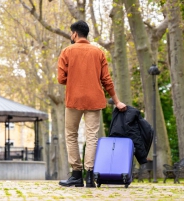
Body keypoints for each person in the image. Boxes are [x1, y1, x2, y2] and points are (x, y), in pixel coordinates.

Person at [57, 20, 127, 188]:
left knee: (71, 135)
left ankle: (75, 174)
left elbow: (61, 79)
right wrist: (117, 101)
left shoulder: (66, 51)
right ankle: (90, 176)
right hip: (95, 100)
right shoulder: (98, 52)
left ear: (74, 34)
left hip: (74, 100)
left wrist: (74, 79)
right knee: (92, 137)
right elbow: (107, 80)